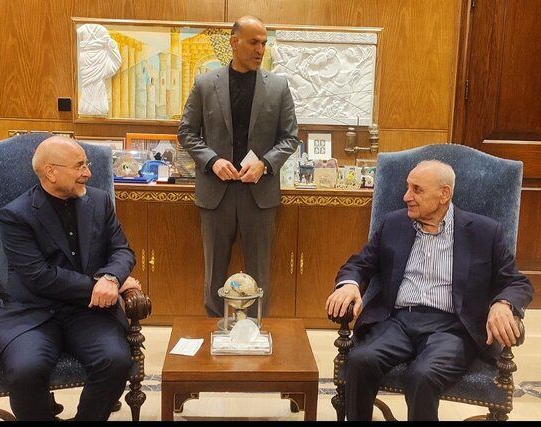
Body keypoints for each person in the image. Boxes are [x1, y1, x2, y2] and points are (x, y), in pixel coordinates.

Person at [325, 160, 533, 421]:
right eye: (407, 187)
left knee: (423, 375)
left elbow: (516, 282)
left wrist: (503, 304)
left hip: (452, 328)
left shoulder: (484, 232)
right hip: (398, 321)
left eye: (417, 190)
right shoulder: (394, 223)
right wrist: (349, 284)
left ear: (444, 194)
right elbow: (360, 263)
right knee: (360, 360)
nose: (406, 196)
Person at [0, 136, 140, 421]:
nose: (88, 172)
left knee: (116, 361)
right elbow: (39, 276)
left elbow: (121, 250)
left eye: (86, 164)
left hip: (88, 311)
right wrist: (101, 285)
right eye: (79, 166)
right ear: (51, 171)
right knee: (26, 370)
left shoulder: (99, 201)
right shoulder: (16, 215)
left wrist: (111, 277)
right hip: (33, 312)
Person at [178, 15, 300, 317]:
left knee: (260, 275)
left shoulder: (279, 87)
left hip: (259, 193)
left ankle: (255, 331)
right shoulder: (205, 84)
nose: (260, 50)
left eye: (264, 43)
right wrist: (212, 160)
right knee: (214, 276)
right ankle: (213, 332)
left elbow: (290, 137)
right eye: (253, 42)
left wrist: (265, 165)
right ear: (234, 42)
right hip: (215, 193)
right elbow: (186, 132)